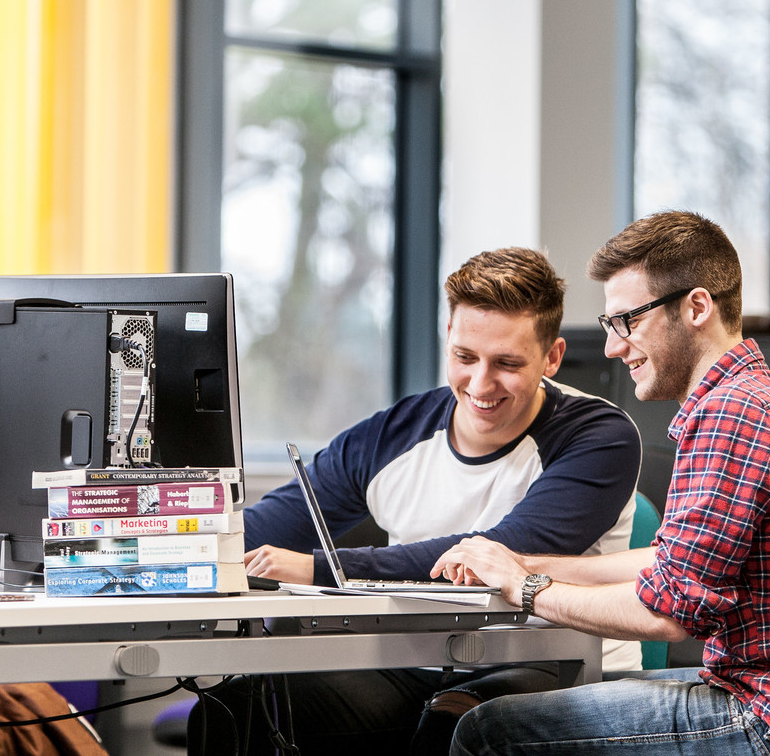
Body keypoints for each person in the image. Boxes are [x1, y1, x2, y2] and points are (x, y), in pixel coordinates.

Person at [433, 211, 770, 756]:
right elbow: (669, 564)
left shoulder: (730, 414)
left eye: (627, 321)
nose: (612, 348)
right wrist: (526, 563)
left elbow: (666, 611)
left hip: (768, 716)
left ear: (696, 307)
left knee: (486, 732)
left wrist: (522, 589)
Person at [187, 246, 643, 756]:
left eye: (507, 364)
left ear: (552, 357)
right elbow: (267, 524)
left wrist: (319, 569)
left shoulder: (599, 436)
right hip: (418, 662)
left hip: (556, 662)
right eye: (465, 357)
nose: (480, 384)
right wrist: (144, 541)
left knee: (453, 722)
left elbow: (497, 553)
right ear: (448, 338)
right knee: (233, 710)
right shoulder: (394, 434)